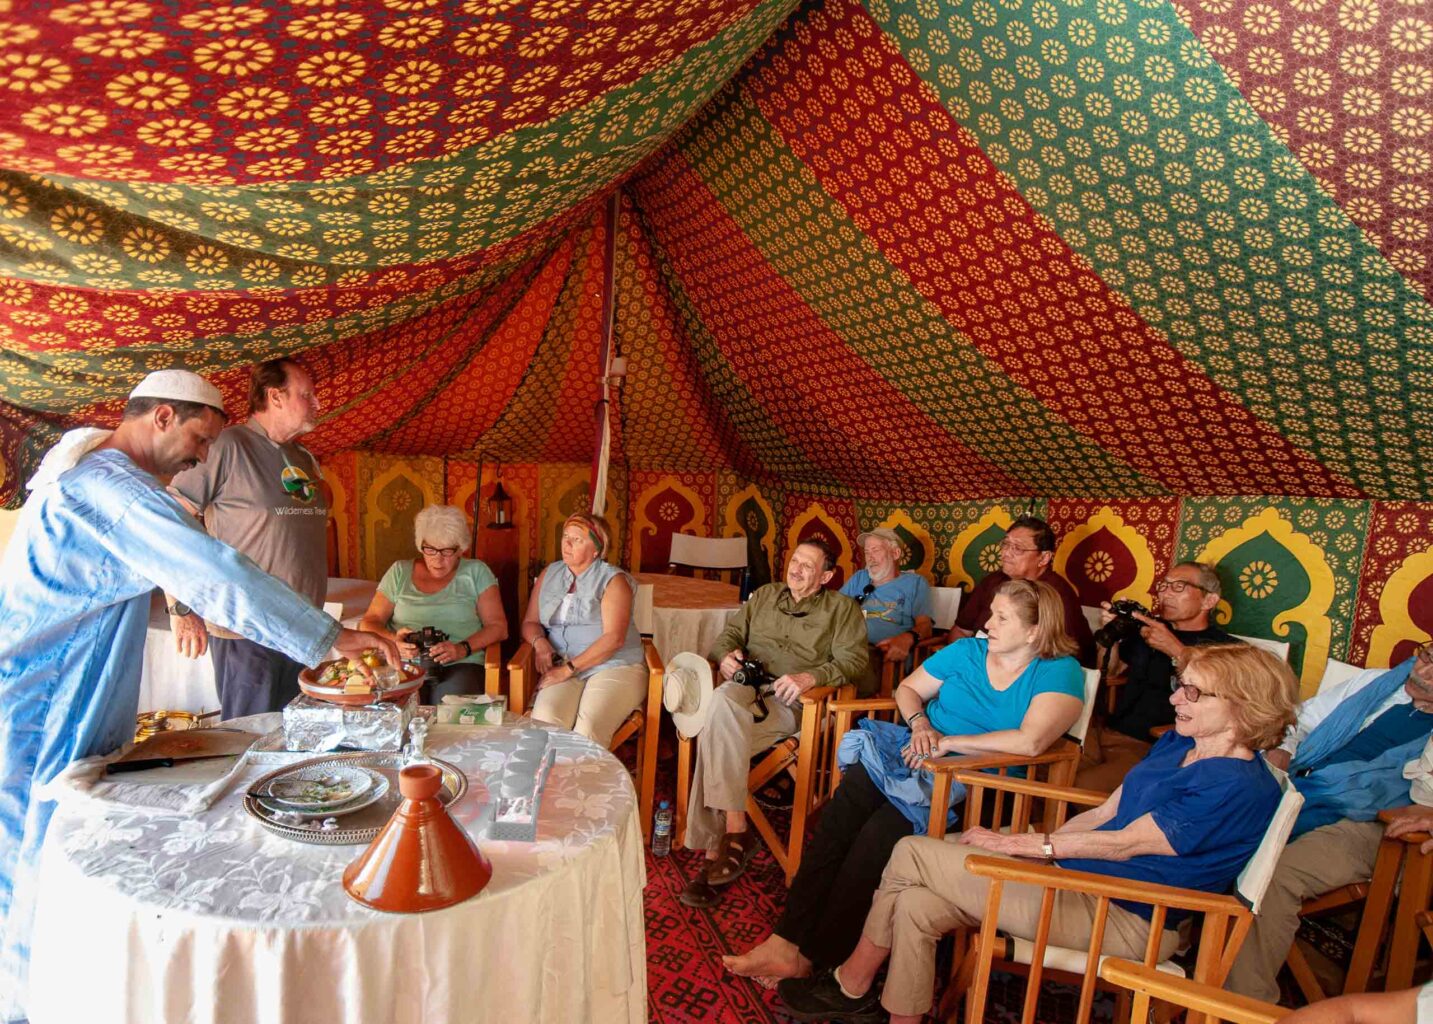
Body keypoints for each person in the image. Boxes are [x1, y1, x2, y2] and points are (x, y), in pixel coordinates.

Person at [0, 370, 398, 1020]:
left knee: (46, 833)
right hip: (45, 693)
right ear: (160, 417)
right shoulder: (112, 489)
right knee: (39, 840)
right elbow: (215, 570)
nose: (201, 457)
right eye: (198, 439)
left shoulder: (92, 471)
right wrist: (328, 637)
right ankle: (29, 1000)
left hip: (58, 680)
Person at [778, 644, 1297, 1023]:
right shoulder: (1181, 745)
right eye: (1179, 685)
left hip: (1126, 913)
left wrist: (1021, 845)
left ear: (1242, 705)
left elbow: (1125, 843)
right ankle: (897, 1015)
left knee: (911, 851)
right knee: (914, 902)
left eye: (1194, 691)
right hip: (1078, 882)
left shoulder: (1236, 784)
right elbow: (1106, 814)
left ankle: (852, 984)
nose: (1177, 698)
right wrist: (1044, 854)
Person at [722, 579, 1083, 985]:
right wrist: (920, 723)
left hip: (973, 787)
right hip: (916, 754)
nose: (987, 623)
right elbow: (908, 688)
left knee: (876, 838)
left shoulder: (1058, 672)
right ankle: (785, 939)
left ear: (1035, 630)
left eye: (1001, 617)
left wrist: (949, 743)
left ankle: (815, 954)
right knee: (839, 817)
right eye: (991, 613)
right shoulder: (968, 651)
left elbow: (1032, 741)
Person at [1225, 646, 1433, 1002]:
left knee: (1276, 876)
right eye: (1428, 657)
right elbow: (1299, 721)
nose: (1423, 672)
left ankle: (1241, 1006)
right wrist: (1282, 751)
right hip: (1301, 788)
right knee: (1207, 819)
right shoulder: (1376, 684)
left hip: (1372, 823)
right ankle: (1174, 944)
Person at [679, 539, 872, 909]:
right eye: (794, 560)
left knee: (714, 734)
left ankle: (711, 857)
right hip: (747, 691)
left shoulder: (841, 609)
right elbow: (728, 637)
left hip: (793, 703)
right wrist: (726, 658)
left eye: (808, 566)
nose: (796, 569)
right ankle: (737, 831)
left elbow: (854, 663)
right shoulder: (765, 596)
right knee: (721, 702)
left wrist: (811, 677)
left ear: (827, 576)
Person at [168, 358, 330, 719]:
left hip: (303, 628)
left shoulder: (302, 457)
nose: (317, 403)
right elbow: (171, 519)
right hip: (248, 631)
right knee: (250, 738)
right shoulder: (227, 445)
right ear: (275, 396)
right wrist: (180, 606)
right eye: (307, 394)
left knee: (295, 739)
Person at [1077, 562, 1239, 792]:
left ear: (1209, 600)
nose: (1166, 593)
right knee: (1044, 768)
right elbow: (1111, 671)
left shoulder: (1226, 649)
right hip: (1107, 731)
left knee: (1082, 785)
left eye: (1179, 587)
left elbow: (1226, 700)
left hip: (1156, 745)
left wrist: (1176, 650)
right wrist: (1111, 634)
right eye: (1164, 586)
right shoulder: (1149, 629)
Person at [520, 513, 647, 747]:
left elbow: (614, 639)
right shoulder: (551, 573)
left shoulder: (613, 580)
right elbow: (530, 622)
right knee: (546, 721)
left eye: (577, 540)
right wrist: (540, 643)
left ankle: (588, 783)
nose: (566, 544)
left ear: (597, 549)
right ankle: (551, 782)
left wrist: (567, 670)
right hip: (564, 663)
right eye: (565, 536)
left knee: (588, 729)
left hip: (615, 666)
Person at [358, 505, 507, 704]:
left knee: (450, 713)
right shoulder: (399, 572)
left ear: (460, 549)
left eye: (447, 551)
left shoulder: (476, 572)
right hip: (404, 664)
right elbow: (369, 622)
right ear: (421, 546)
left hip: (460, 664)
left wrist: (461, 648)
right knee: (398, 712)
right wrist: (394, 641)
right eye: (430, 550)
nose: (438, 559)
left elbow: (498, 627)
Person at [949, 516, 1094, 666]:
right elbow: (960, 630)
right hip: (975, 667)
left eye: (1017, 548)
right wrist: (967, 667)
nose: (1005, 553)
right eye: (1005, 544)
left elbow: (1062, 657)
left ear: (1044, 558)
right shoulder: (993, 581)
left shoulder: (1055, 595)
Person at [840, 527, 933, 674]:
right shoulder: (859, 577)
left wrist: (908, 638)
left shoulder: (915, 583)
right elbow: (835, 611)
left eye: (875, 550)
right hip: (845, 648)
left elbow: (925, 625)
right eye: (867, 552)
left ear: (895, 553)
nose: (869, 558)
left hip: (881, 657)